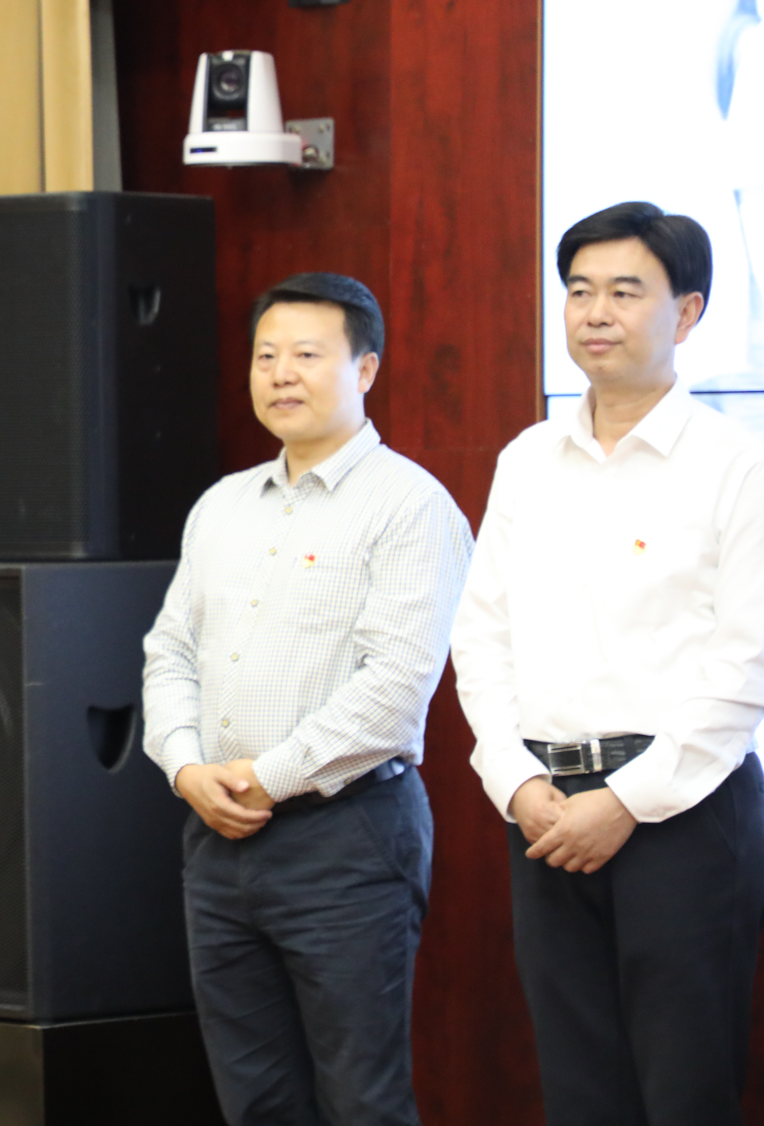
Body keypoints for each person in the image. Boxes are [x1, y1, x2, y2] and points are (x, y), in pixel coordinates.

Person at [451, 201, 764, 1126]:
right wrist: (515, 782)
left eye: (626, 292)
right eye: (579, 290)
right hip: (546, 810)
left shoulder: (735, 463)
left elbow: (746, 661)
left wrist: (626, 800)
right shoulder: (528, 458)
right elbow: (481, 635)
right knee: (579, 1087)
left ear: (689, 312)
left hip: (683, 814)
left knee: (685, 1089)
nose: (595, 312)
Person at [141, 272, 473, 1126]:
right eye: (266, 356)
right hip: (216, 834)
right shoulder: (221, 505)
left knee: (362, 1098)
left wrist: (268, 776)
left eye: (307, 354)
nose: (281, 373)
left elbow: (396, 688)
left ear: (366, 369)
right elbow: (169, 651)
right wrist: (185, 768)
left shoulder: (411, 506)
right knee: (254, 1098)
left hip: (347, 834)